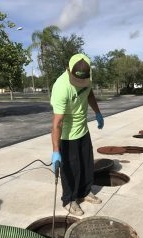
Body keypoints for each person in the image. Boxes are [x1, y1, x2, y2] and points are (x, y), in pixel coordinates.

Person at [50, 53, 104, 216]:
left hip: (83, 130)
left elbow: (90, 94)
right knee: (71, 169)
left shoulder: (88, 78)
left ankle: (85, 192)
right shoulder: (61, 87)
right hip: (67, 136)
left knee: (86, 164)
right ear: (69, 70)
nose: (80, 84)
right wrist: (55, 151)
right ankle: (69, 200)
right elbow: (57, 122)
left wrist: (98, 113)